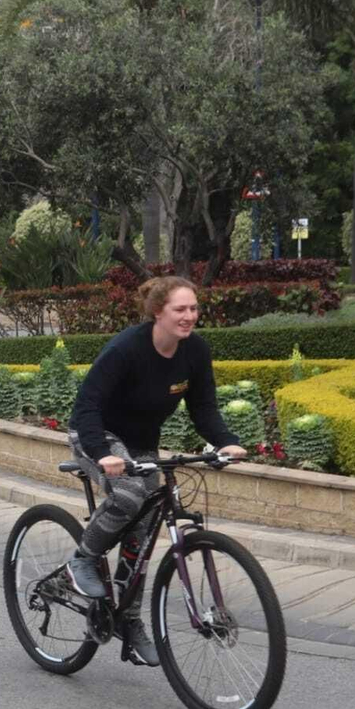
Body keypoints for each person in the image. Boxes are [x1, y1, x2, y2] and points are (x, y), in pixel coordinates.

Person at [64, 276, 247, 667]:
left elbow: (204, 410)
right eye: (180, 309)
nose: (189, 316)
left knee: (144, 529)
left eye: (194, 308)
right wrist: (100, 453)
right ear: (158, 311)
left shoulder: (194, 351)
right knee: (129, 494)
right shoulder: (127, 348)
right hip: (96, 434)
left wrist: (226, 442)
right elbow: (86, 407)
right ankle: (82, 559)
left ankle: (128, 620)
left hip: (140, 443)